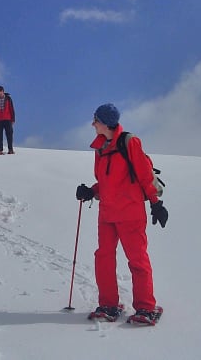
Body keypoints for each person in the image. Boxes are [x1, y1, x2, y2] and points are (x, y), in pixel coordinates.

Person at [76, 103, 168, 323]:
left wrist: (156, 204)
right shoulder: (100, 148)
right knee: (104, 258)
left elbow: (145, 176)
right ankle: (108, 304)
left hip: (130, 213)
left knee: (137, 259)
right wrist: (91, 191)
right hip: (107, 214)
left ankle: (146, 307)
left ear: (106, 122)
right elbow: (106, 182)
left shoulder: (129, 142)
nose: (92, 124)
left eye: (95, 120)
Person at [0, 85, 15, 155]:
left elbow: (11, 109)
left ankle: (10, 149)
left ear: (2, 91)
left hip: (8, 119)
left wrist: (13, 119)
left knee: (9, 134)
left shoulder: (8, 98)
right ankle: (0, 150)